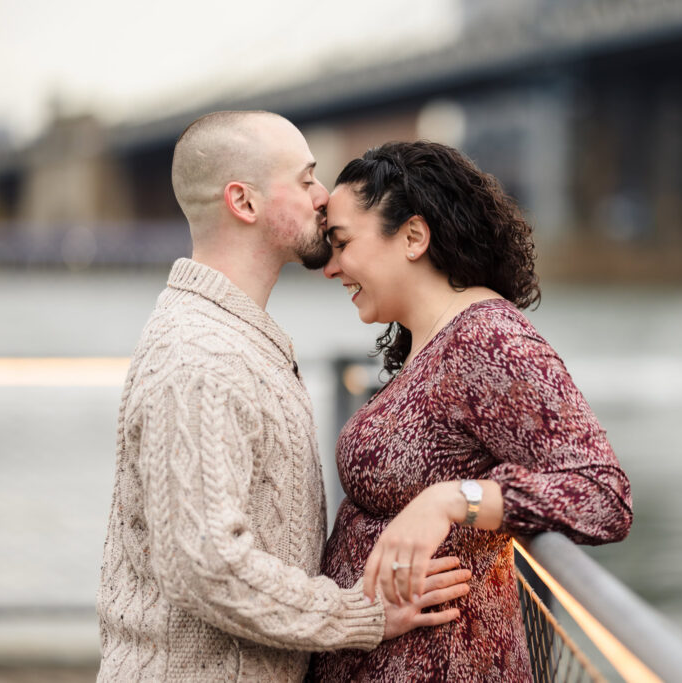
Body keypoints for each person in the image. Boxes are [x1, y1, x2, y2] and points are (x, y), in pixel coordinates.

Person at [96, 112, 471, 681]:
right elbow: (207, 565)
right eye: (305, 179)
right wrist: (364, 615)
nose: (324, 197)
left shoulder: (234, 336)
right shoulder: (202, 355)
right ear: (243, 203)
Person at [311, 141, 634, 681]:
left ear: (413, 236)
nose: (332, 267)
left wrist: (449, 501)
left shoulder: (489, 340)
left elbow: (603, 495)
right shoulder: (431, 343)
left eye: (342, 244)